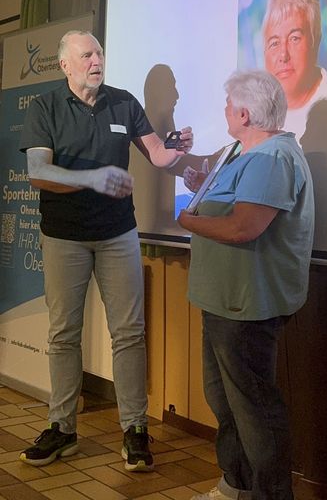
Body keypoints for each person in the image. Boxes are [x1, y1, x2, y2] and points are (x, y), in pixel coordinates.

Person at [18, 30, 193, 470]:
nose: (97, 60)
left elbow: (157, 154)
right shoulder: (46, 107)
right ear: (65, 65)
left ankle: (135, 430)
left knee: (129, 332)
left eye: (99, 53)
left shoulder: (124, 102)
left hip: (118, 233)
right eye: (87, 55)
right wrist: (91, 179)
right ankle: (62, 428)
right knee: (64, 333)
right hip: (64, 235)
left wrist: (176, 149)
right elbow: (38, 171)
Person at [178, 70, 314, 500]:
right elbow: (232, 206)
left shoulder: (271, 158)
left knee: (254, 408)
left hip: (247, 305)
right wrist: (203, 187)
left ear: (243, 113)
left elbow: (243, 227)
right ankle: (235, 485)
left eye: (227, 104)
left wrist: (188, 221)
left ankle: (270, 494)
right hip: (223, 300)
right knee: (225, 400)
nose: (223, 111)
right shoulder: (243, 154)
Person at [262, 0, 327, 141]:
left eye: (294, 38)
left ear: (316, 41)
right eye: (274, 43)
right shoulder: (257, 115)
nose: (283, 55)